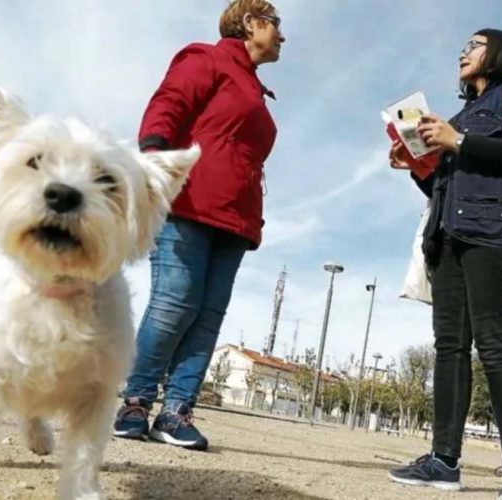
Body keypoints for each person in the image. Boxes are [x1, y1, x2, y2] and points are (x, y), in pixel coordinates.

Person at [113, 0, 284, 451]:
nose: (282, 36)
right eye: (275, 24)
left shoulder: (254, 88)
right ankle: (135, 401)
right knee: (175, 302)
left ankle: (176, 412)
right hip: (188, 201)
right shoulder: (206, 58)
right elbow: (169, 102)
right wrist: (152, 155)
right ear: (250, 23)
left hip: (236, 217)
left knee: (207, 316)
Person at [387, 29, 502, 500]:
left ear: (499, 53)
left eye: (474, 44)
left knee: (495, 344)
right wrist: (418, 167)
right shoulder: (459, 117)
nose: (464, 51)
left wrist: (458, 139)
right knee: (449, 347)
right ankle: (443, 461)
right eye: (462, 46)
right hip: (448, 238)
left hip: (497, 233)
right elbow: (447, 187)